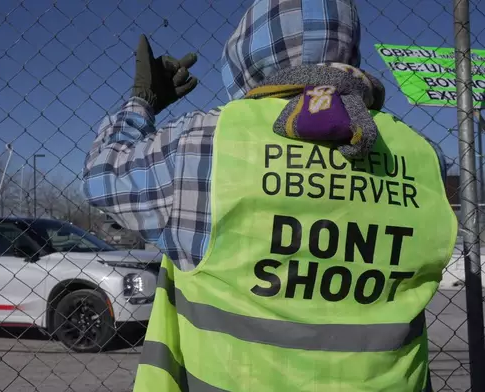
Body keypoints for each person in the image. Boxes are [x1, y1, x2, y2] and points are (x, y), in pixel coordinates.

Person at [82, 0, 456, 390]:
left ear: (244, 54)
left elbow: (101, 173)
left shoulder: (204, 142)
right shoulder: (421, 154)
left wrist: (142, 103)